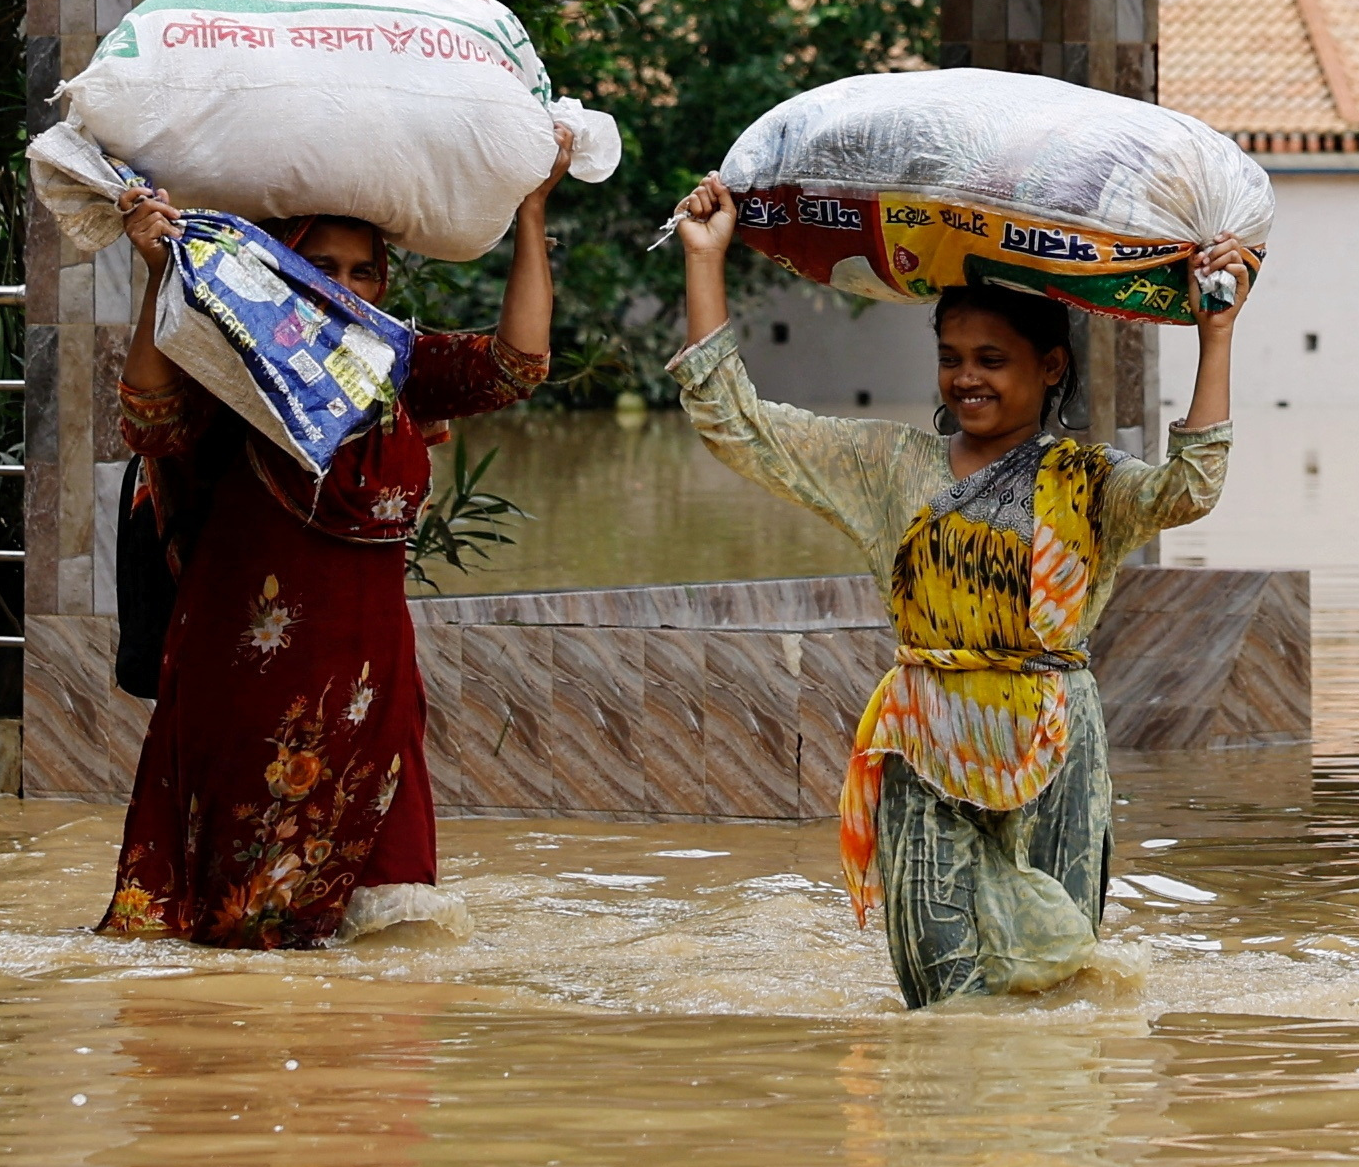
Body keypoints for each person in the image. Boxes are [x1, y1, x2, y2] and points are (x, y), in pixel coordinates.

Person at [662, 179, 1250, 1006]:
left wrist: (1214, 331)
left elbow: (1191, 487)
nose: (965, 379)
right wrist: (704, 257)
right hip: (926, 737)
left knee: (1052, 982)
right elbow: (737, 424)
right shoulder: (889, 468)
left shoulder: (1089, 483)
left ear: (1050, 367)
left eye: (990, 360)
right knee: (943, 1002)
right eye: (950, 359)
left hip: (1053, 745)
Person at [100, 177, 560, 947]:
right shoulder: (236, 371)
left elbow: (517, 364)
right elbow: (146, 418)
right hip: (248, 690)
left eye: (362, 270)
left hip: (373, 690)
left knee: (386, 929)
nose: (340, 285)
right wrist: (158, 274)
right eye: (319, 262)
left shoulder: (397, 365)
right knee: (236, 930)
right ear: (281, 266)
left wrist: (530, 209)